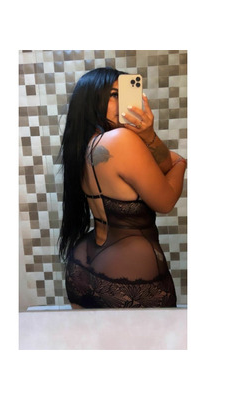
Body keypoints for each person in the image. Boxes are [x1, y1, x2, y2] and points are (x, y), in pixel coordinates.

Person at [58, 67, 187, 308]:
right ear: (91, 99)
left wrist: (147, 135)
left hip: (82, 264)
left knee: (92, 334)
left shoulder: (83, 146)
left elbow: (161, 165)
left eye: (124, 94)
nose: (124, 101)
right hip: (127, 271)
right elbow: (166, 200)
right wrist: (181, 163)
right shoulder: (121, 140)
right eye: (114, 94)